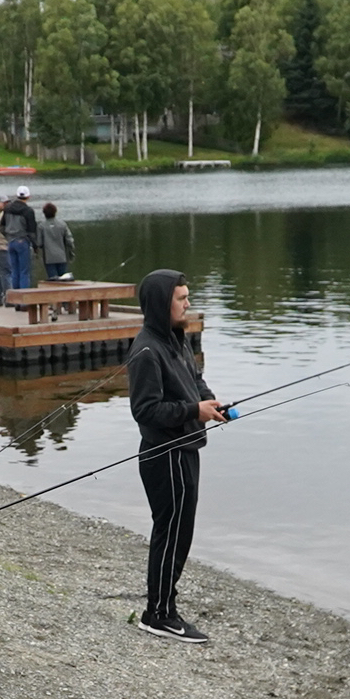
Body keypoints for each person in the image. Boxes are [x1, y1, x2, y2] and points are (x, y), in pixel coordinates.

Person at [126, 269, 224, 643]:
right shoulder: (147, 350)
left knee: (181, 533)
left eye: (187, 297)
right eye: (181, 299)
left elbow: (195, 382)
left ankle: (163, 606)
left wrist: (211, 405)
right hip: (164, 454)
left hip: (186, 448)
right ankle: (159, 613)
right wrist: (191, 412)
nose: (188, 304)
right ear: (161, 303)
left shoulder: (175, 339)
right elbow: (146, 411)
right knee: (171, 534)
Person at [0, 185, 37, 293]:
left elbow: (1, 226)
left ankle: (16, 300)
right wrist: (35, 246)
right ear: (28, 196)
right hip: (22, 241)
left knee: (14, 271)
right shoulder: (28, 211)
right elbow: (31, 231)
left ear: (17, 195)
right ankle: (24, 301)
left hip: (10, 242)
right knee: (24, 272)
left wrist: (7, 236)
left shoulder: (7, 209)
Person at [36, 202, 75, 281]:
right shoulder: (62, 224)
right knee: (64, 281)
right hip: (62, 257)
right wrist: (71, 253)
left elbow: (39, 243)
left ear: (44, 213)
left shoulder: (41, 226)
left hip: (49, 259)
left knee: (53, 281)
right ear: (55, 212)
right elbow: (69, 240)